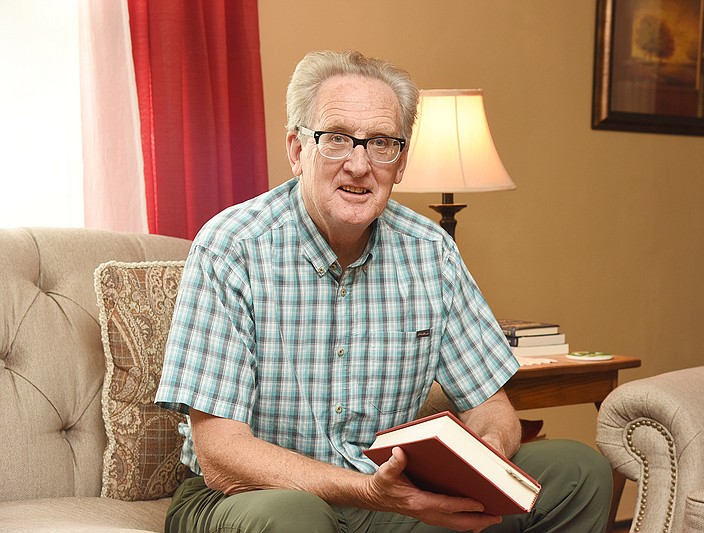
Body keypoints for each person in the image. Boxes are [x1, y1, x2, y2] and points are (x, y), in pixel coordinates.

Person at [156, 49, 612, 533]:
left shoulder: (430, 252)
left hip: (387, 497)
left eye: (380, 144)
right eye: (336, 139)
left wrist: (485, 457)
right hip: (252, 497)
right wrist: (370, 492)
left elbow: (490, 406)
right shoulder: (232, 247)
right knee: (294, 517)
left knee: (578, 472)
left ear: (401, 162)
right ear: (296, 149)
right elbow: (221, 453)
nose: (359, 164)